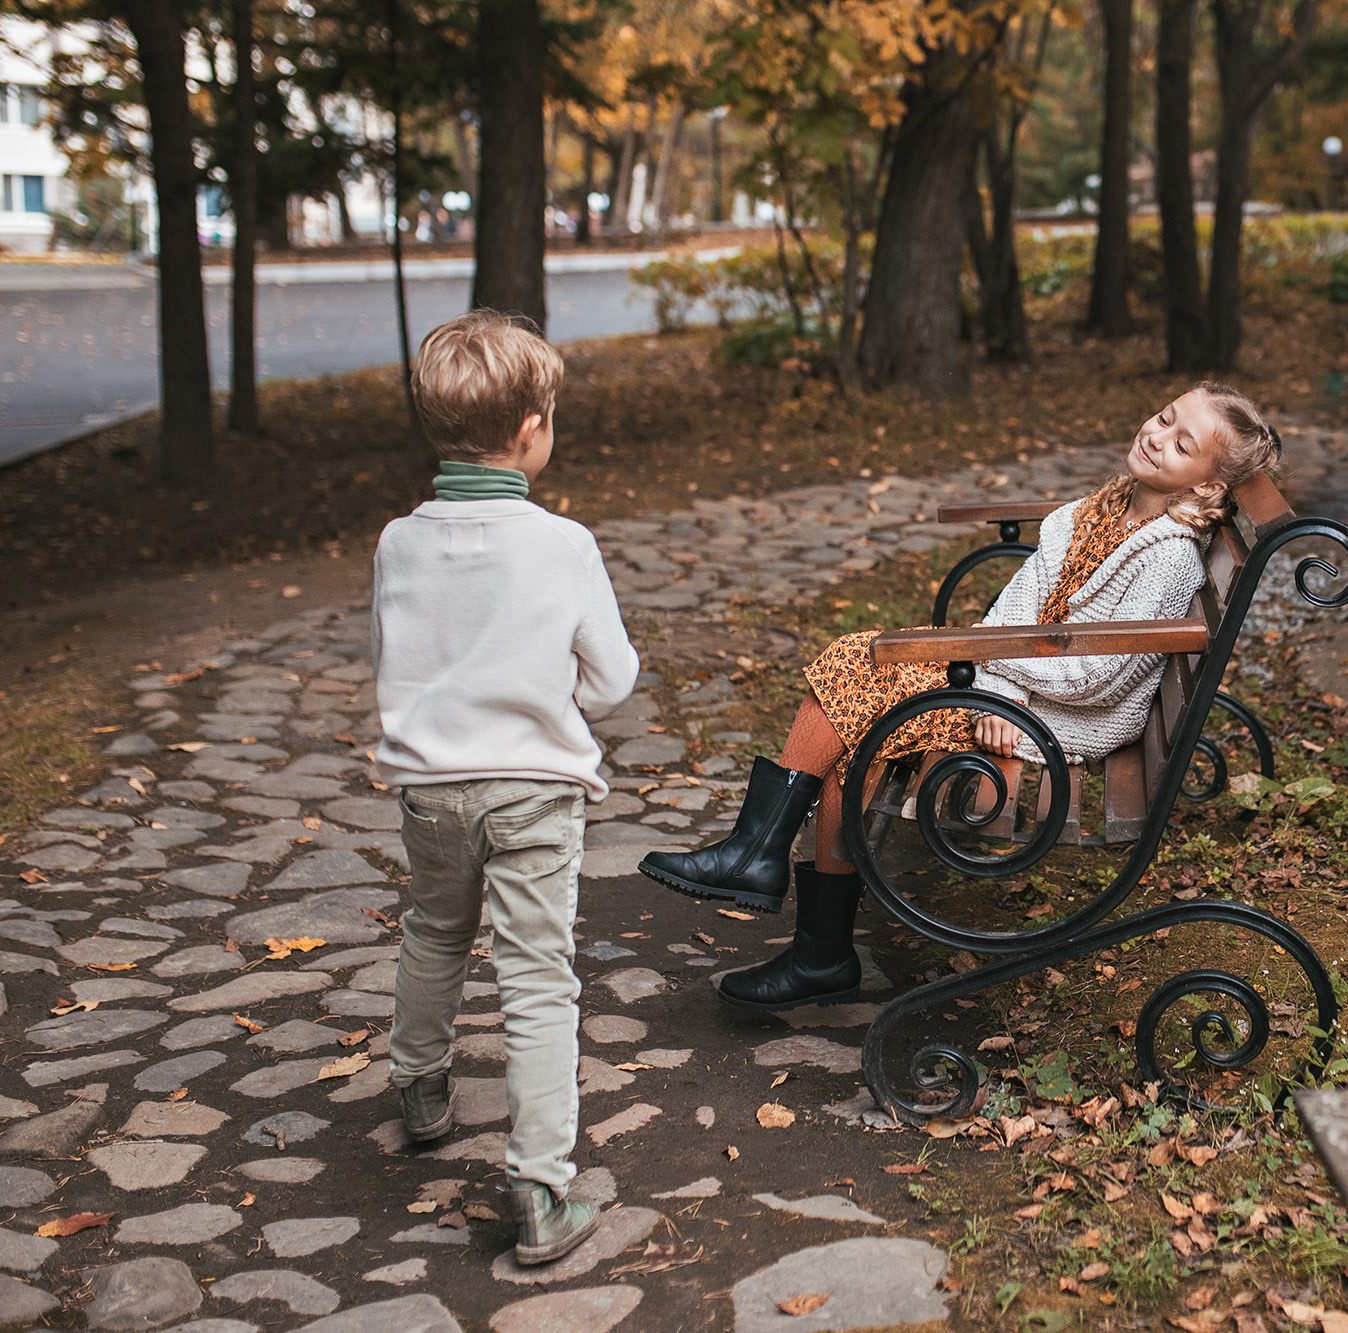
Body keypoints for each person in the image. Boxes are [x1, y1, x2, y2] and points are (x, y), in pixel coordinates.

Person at [640, 382, 1282, 1011]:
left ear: (1206, 486)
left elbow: (1098, 676)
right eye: (1165, 417)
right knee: (856, 680)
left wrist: (997, 691)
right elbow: (1021, 606)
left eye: (1182, 441)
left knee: (860, 680)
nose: (1157, 435)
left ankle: (778, 889)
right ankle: (797, 917)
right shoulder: (1104, 509)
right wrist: (996, 674)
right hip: (1013, 679)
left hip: (1056, 714)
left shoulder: (1168, 560)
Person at [371, 309, 639, 1266]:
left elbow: (392, 659)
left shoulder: (399, 542)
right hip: (534, 792)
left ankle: (420, 1088)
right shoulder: (561, 546)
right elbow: (610, 680)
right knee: (536, 976)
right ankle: (537, 1184)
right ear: (532, 428)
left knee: (435, 928)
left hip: (433, 791)